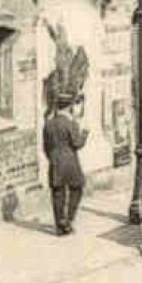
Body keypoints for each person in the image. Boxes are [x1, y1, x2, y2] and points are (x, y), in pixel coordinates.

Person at [43, 96, 90, 236]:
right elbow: (77, 143)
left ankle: (59, 225)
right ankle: (68, 220)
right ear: (69, 106)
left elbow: (45, 147)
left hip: (55, 162)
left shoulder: (48, 124)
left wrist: (52, 158)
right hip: (70, 163)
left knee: (58, 192)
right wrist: (85, 133)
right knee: (77, 188)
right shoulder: (71, 123)